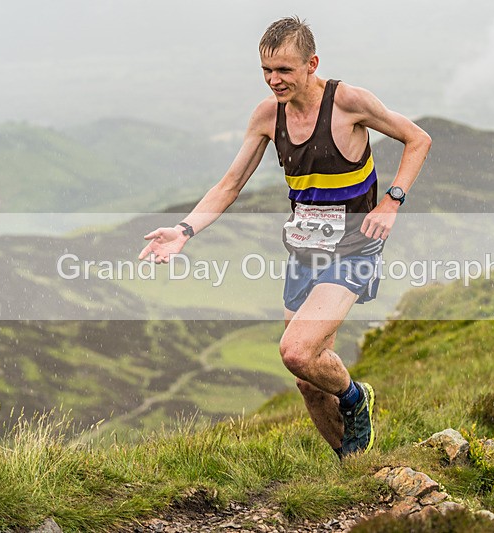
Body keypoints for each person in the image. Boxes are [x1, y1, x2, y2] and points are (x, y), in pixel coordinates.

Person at [139, 16, 431, 459]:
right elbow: (230, 184)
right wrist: (183, 231)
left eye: (285, 71)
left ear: (312, 64)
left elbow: (418, 139)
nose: (274, 81)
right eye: (266, 71)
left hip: (354, 245)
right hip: (304, 250)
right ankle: (352, 466)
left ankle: (355, 398)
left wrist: (391, 201)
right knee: (306, 377)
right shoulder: (265, 116)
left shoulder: (349, 102)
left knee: (296, 351)